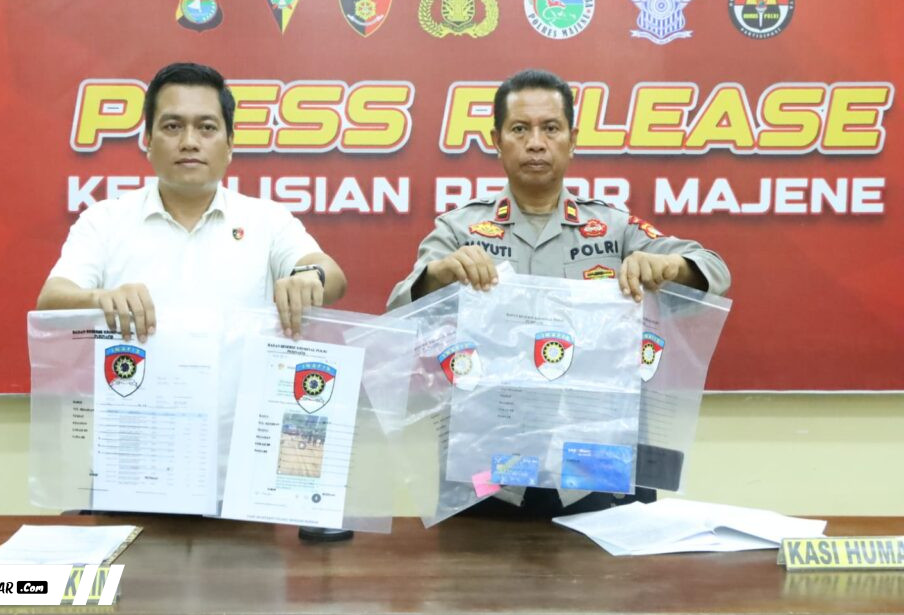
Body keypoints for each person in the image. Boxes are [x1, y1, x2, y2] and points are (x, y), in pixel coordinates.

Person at [387, 69, 731, 517]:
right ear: (496, 140)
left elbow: (714, 271)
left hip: (594, 468)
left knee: (610, 562)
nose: (536, 143)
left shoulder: (614, 228)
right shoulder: (459, 230)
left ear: (572, 140)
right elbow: (397, 317)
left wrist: (669, 267)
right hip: (488, 473)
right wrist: (438, 276)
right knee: (473, 561)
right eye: (519, 129)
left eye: (550, 128)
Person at [37, 62, 346, 340]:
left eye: (206, 128)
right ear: (148, 142)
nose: (189, 142)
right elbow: (51, 299)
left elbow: (331, 276)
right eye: (172, 127)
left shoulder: (267, 219)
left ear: (229, 144)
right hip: (134, 387)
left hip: (239, 389)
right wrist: (100, 299)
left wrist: (311, 277)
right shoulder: (105, 220)